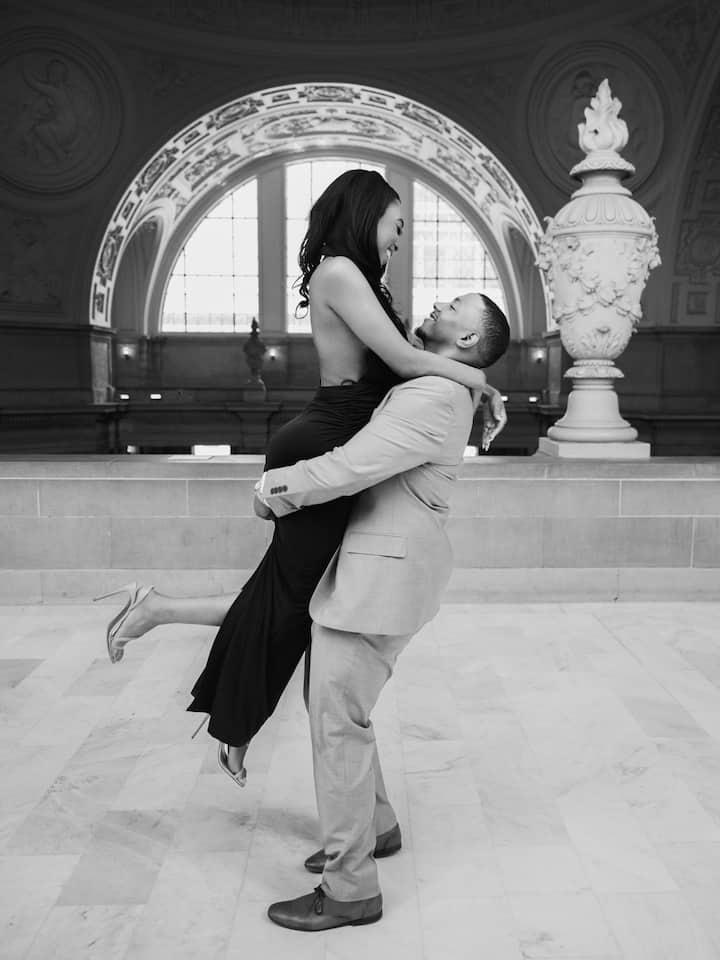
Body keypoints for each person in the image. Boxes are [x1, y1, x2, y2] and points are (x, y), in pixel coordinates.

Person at [96, 170, 507, 787]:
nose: (398, 240)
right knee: (291, 601)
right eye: (396, 226)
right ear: (367, 213)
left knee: (289, 594)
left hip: (336, 434)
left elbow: (407, 366)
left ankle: (160, 616)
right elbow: (402, 361)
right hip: (325, 437)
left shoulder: (363, 278)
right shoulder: (339, 271)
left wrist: (475, 382)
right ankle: (230, 720)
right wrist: (481, 381)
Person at [256, 292, 510, 931]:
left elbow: (351, 467)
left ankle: (350, 887)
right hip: (381, 571)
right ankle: (379, 825)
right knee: (334, 704)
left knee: (336, 721)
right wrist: (482, 383)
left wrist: (272, 490)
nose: (440, 303)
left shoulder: (435, 396)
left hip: (382, 578)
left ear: (469, 339)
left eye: (457, 305)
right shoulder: (440, 383)